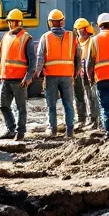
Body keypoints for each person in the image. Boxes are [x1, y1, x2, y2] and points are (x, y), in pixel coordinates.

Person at [33, 9, 78, 138]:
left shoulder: (45, 37)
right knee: (68, 104)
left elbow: (40, 57)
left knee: (51, 105)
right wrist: (75, 73)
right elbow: (77, 56)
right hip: (67, 76)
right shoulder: (72, 36)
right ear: (62, 21)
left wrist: (38, 73)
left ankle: (52, 130)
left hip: (51, 76)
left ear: (50, 23)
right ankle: (70, 131)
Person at [0, 9, 34, 141]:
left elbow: (32, 61)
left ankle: (20, 132)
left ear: (18, 22)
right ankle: (11, 129)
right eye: (9, 22)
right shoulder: (5, 37)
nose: (10, 24)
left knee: (21, 107)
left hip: (19, 80)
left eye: (12, 21)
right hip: (5, 79)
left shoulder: (26, 38)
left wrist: (28, 78)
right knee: (3, 105)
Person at [72, 18, 101, 130]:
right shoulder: (76, 42)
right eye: (80, 30)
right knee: (79, 96)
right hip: (78, 71)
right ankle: (82, 119)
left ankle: (94, 119)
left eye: (83, 29)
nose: (82, 32)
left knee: (92, 96)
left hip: (89, 70)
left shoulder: (92, 41)